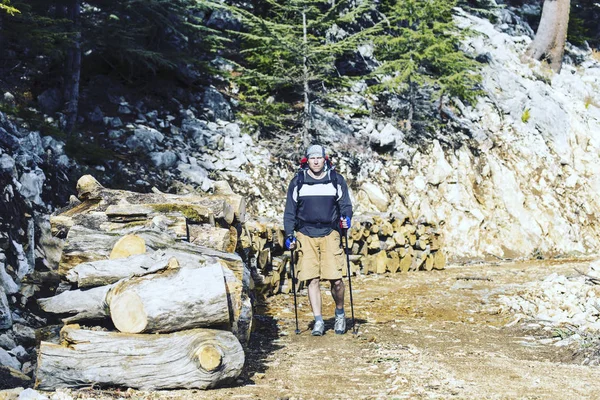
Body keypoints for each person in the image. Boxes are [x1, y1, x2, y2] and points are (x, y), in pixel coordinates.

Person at [283, 144, 353, 336]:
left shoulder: (335, 180)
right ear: (307, 160)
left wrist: (346, 218)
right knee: (311, 279)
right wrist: (289, 234)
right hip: (305, 232)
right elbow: (290, 211)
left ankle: (339, 314)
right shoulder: (298, 181)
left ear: (325, 159)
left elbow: (345, 205)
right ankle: (319, 321)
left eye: (319, 158)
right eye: (312, 158)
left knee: (336, 280)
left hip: (330, 232)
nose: (315, 161)